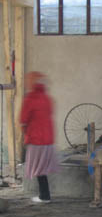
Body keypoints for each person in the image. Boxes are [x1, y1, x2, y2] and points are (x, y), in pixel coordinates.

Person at [20, 71, 58, 203]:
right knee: (41, 168)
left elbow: (23, 119)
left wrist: (25, 133)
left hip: (36, 138)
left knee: (38, 168)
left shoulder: (30, 99)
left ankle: (45, 195)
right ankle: (45, 194)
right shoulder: (47, 98)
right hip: (48, 139)